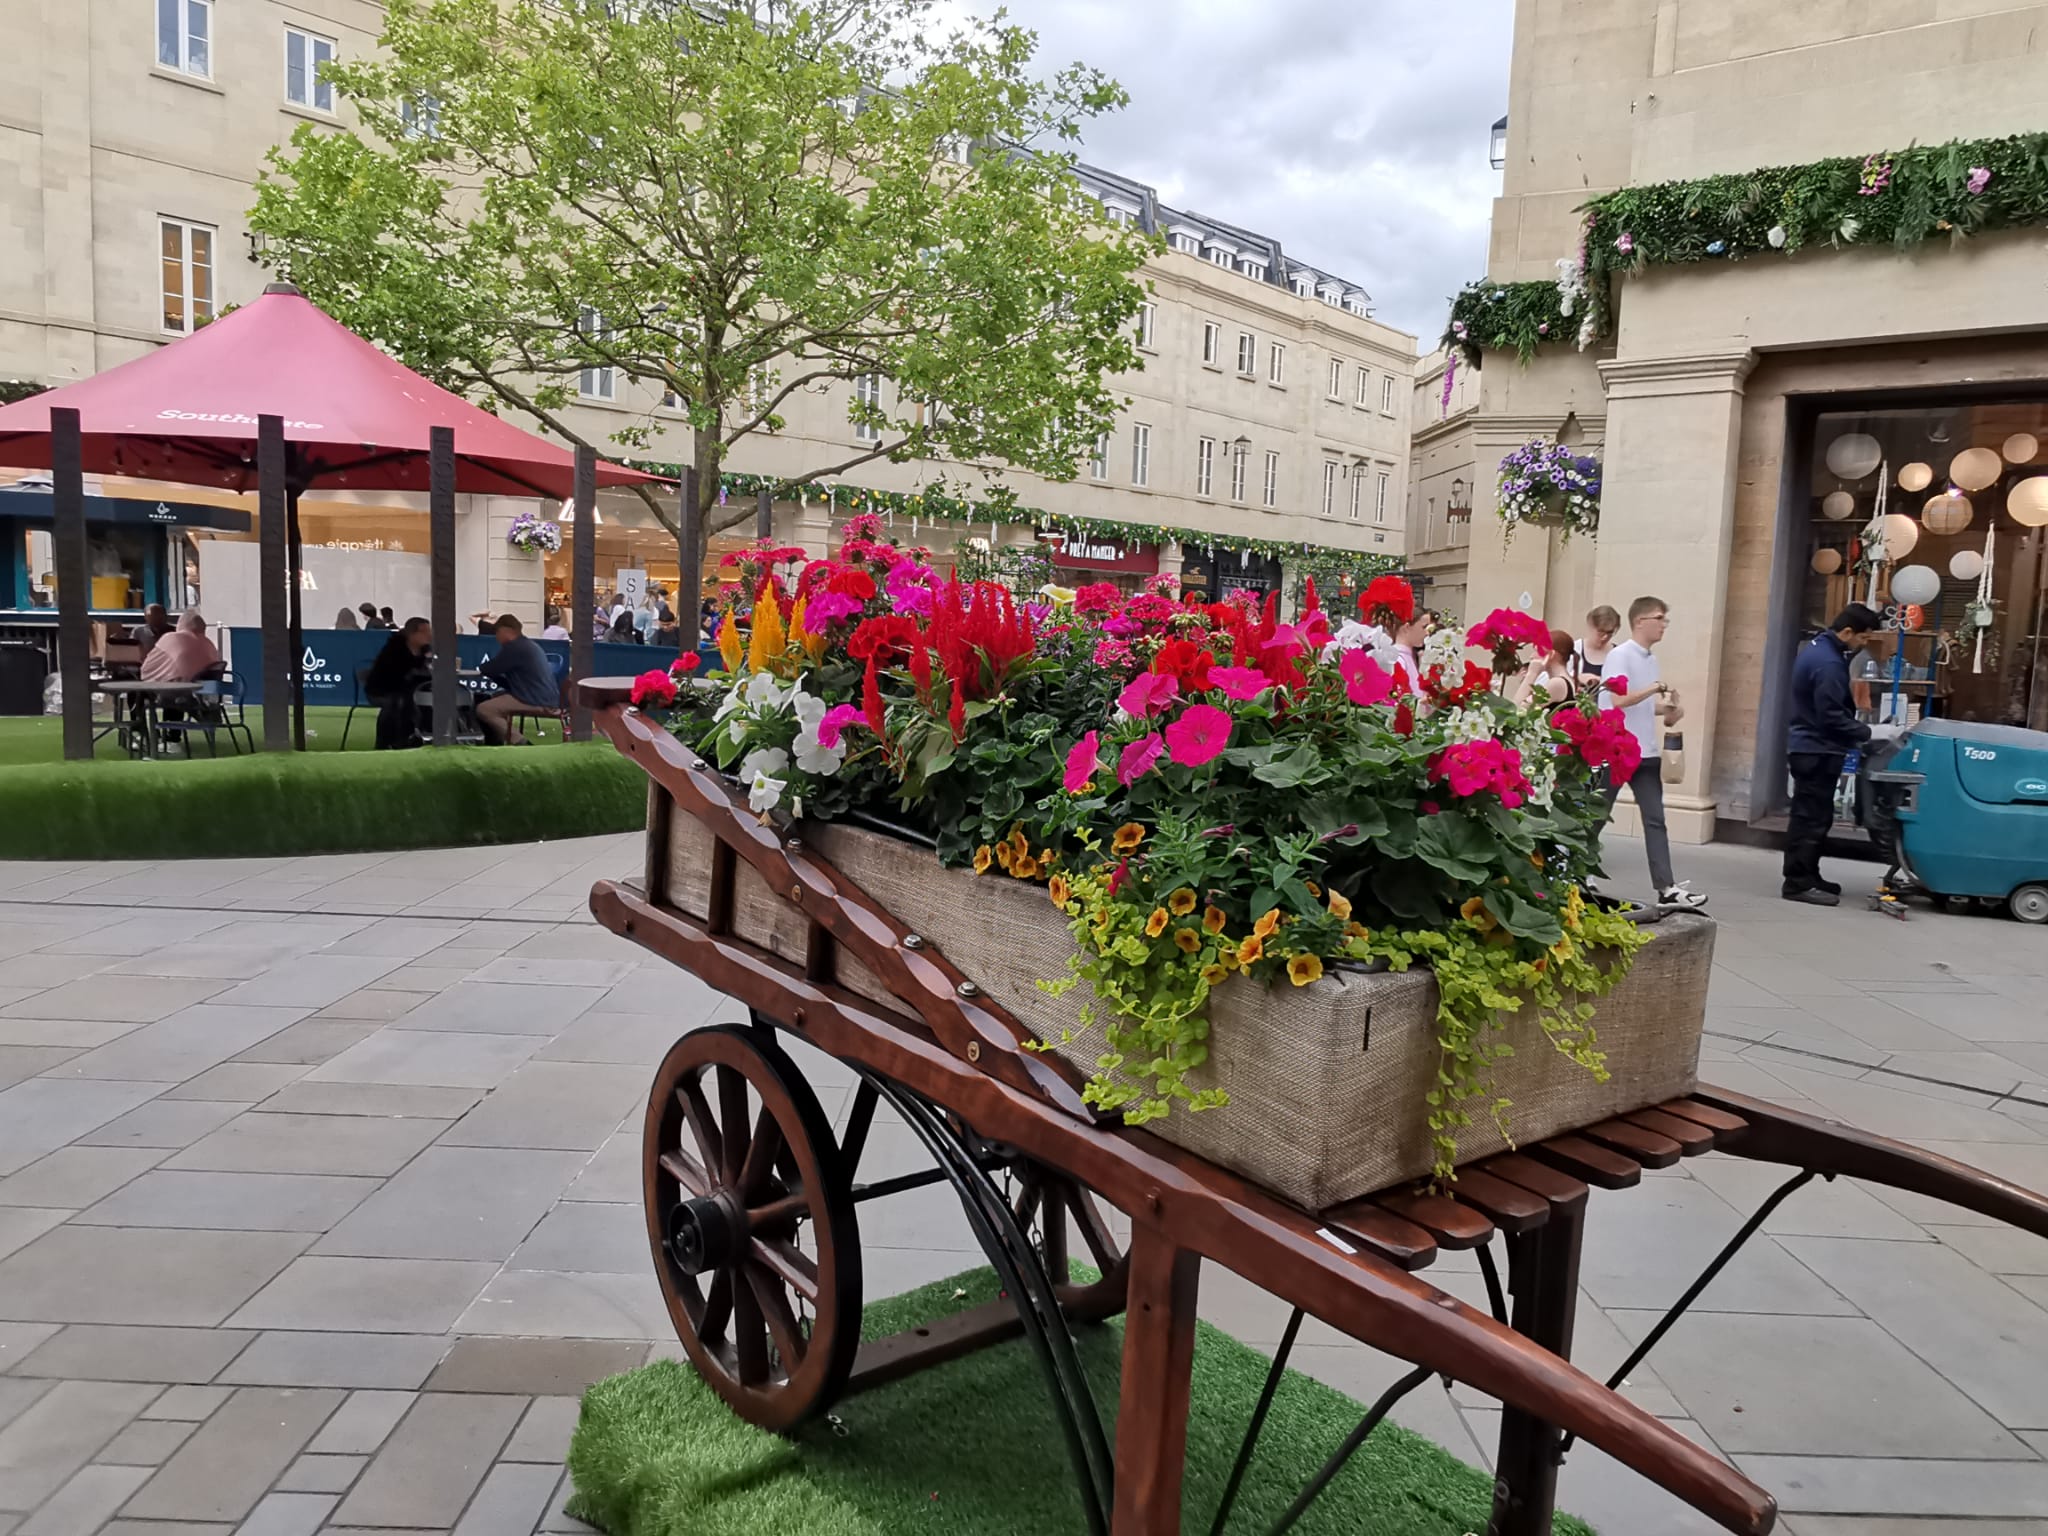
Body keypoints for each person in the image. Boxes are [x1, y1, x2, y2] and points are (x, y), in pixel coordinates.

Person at [1600, 596, 1707, 911]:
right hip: (1618, 750)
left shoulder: (1650, 659)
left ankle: (1666, 888)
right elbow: (1618, 701)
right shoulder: (1620, 656)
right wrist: (1655, 688)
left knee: (1655, 819)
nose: (1664, 625)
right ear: (1640, 621)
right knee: (1595, 817)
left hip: (1645, 752)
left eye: (1665, 619)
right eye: (1659, 618)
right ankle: (1573, 873)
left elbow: (1644, 705)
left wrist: (1669, 709)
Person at [1784, 603, 1886, 906]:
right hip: (1816, 749)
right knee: (1810, 819)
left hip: (1812, 747)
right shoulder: (1828, 663)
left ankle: (1810, 875)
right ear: (1847, 632)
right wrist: (1870, 733)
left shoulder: (1819, 648)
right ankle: (1798, 882)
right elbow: (1830, 715)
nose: (1863, 645)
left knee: (1816, 816)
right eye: (1864, 638)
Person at [477, 613, 559, 745]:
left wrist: (484, 669)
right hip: (544, 697)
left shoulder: (515, 647)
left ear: (506, 631)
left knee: (484, 709)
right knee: (494, 698)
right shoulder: (527, 645)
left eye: (497, 632)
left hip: (535, 699)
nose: (496, 637)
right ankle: (499, 741)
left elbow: (490, 668)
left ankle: (520, 741)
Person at [140, 610, 220, 682]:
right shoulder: (209, 643)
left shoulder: (171, 637)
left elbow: (147, 667)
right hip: (207, 686)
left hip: (180, 685)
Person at [1515, 628, 1579, 709]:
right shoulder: (1561, 680)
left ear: (1551, 654)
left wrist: (1531, 675)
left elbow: (1518, 709)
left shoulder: (1557, 683)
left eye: (1538, 651)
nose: (1531, 656)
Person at [1571, 605, 1621, 694]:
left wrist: (1598, 680)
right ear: (1590, 626)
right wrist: (1576, 678)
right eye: (1601, 632)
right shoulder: (1573, 649)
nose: (1605, 637)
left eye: (1610, 633)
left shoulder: (1618, 654)